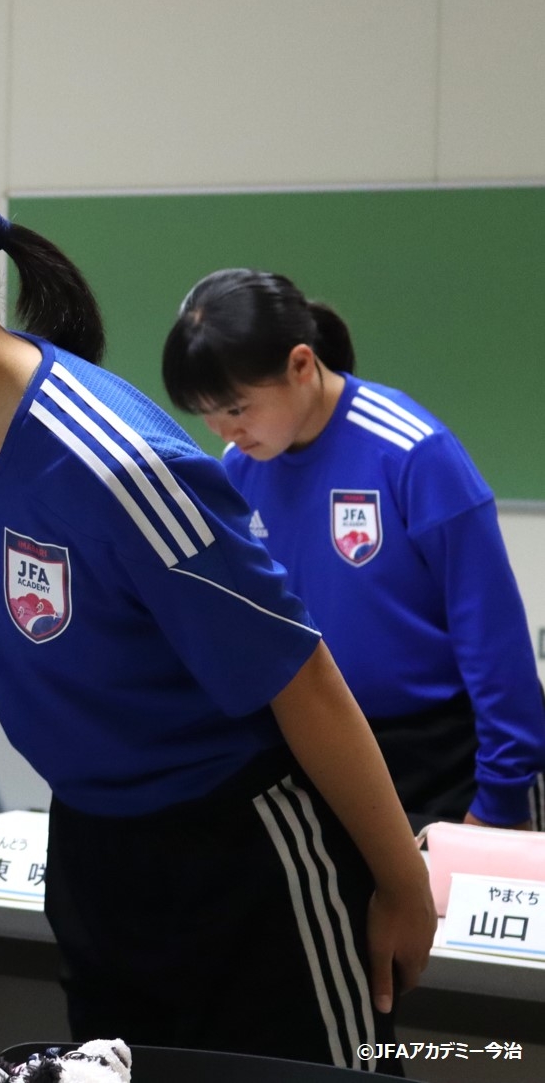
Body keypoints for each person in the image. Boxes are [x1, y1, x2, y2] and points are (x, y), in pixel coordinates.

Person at [0, 113, 434, 1070]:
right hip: (91, 851)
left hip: (245, 854)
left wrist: (403, 882)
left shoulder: (113, 460)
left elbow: (300, 676)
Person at [162, 268, 545, 831]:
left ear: (300, 365)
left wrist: (500, 797)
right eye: (208, 414)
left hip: (443, 759)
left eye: (237, 409)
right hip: (316, 751)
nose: (225, 431)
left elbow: (492, 637)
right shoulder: (239, 471)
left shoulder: (413, 452)